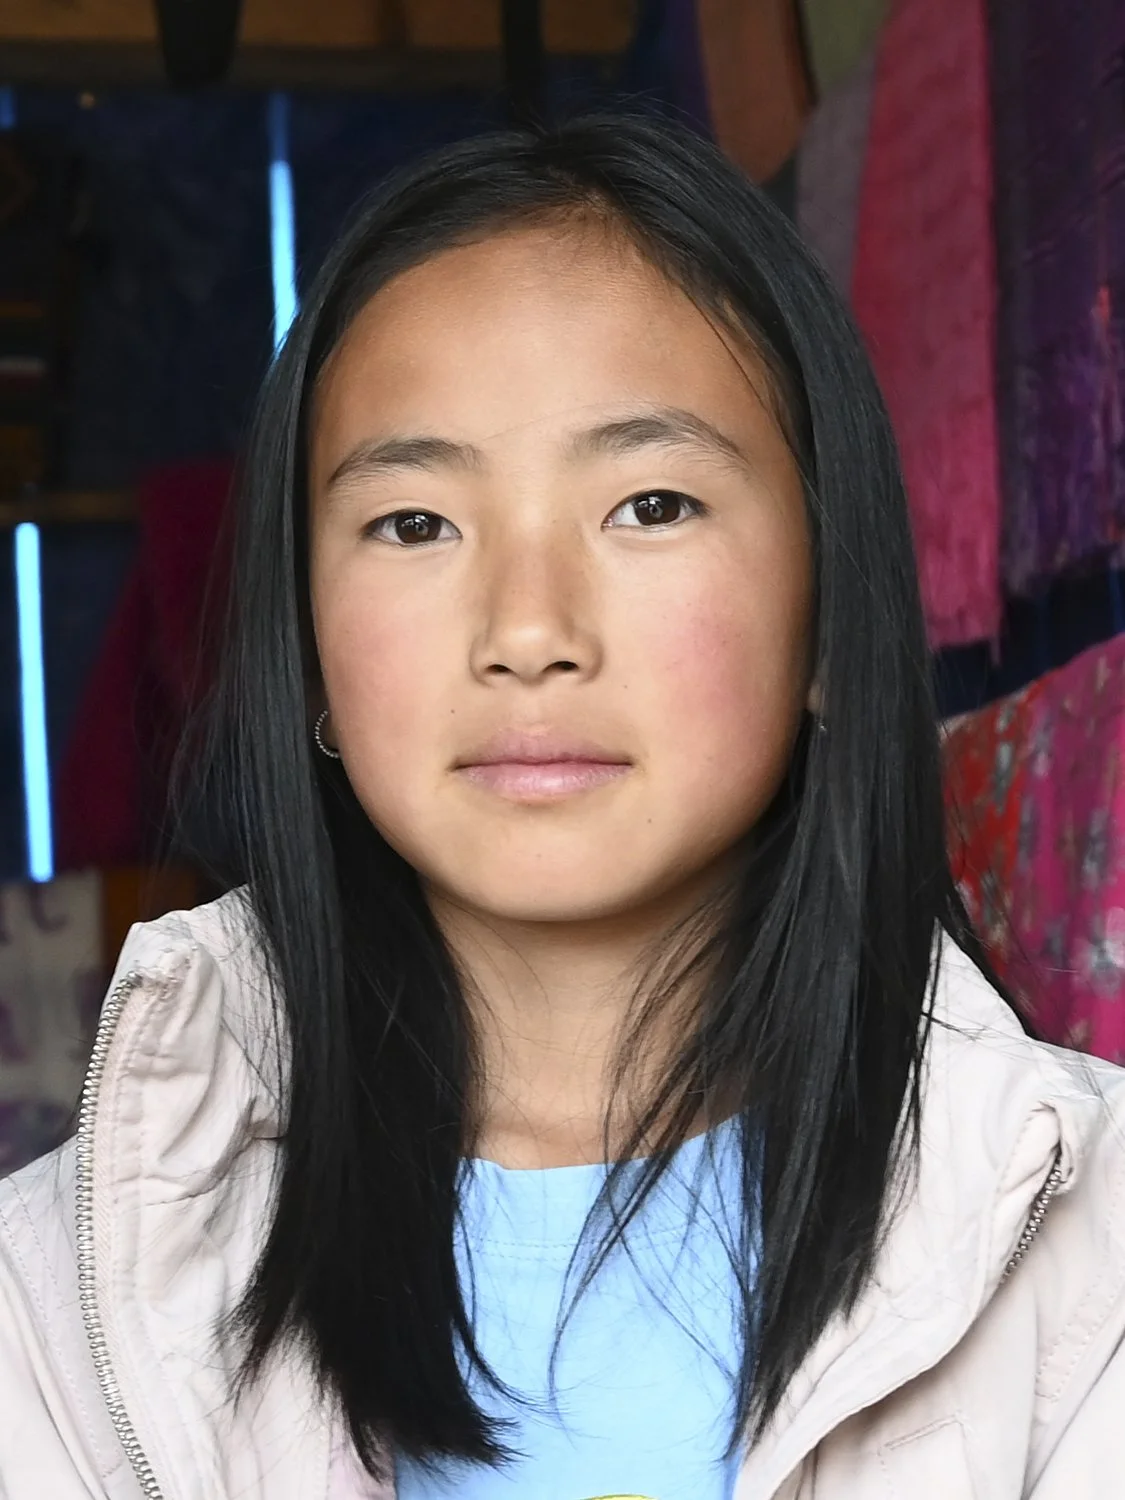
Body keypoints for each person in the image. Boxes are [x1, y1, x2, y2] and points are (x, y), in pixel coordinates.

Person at [1, 113, 1123, 1500]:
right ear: (311, 658)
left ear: (830, 619)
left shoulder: (1091, 1260)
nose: (528, 631)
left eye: (649, 505)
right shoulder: (55, 1308)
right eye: (416, 523)